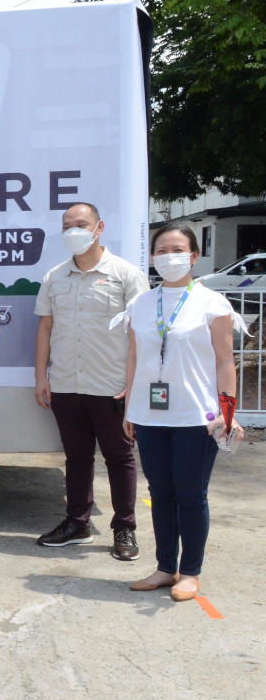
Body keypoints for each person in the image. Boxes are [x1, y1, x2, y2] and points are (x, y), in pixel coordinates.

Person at [121, 225, 244, 602]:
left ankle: (190, 572)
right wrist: (130, 408)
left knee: (191, 495)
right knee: (161, 494)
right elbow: (134, 357)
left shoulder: (212, 303)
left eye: (177, 249)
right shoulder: (141, 304)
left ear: (193, 255)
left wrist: (229, 409)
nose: (168, 256)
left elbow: (225, 361)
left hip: (197, 417)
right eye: (161, 249)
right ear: (153, 257)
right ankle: (164, 567)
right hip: (150, 416)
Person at [33, 202, 149, 560]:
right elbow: (45, 328)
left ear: (99, 227)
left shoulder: (126, 274)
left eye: (81, 224)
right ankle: (77, 522)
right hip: (66, 383)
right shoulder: (54, 276)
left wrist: (136, 381)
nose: (73, 231)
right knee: (76, 457)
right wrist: (42, 376)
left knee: (120, 457)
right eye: (67, 225)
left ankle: (125, 528)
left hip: (111, 384)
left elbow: (141, 333)